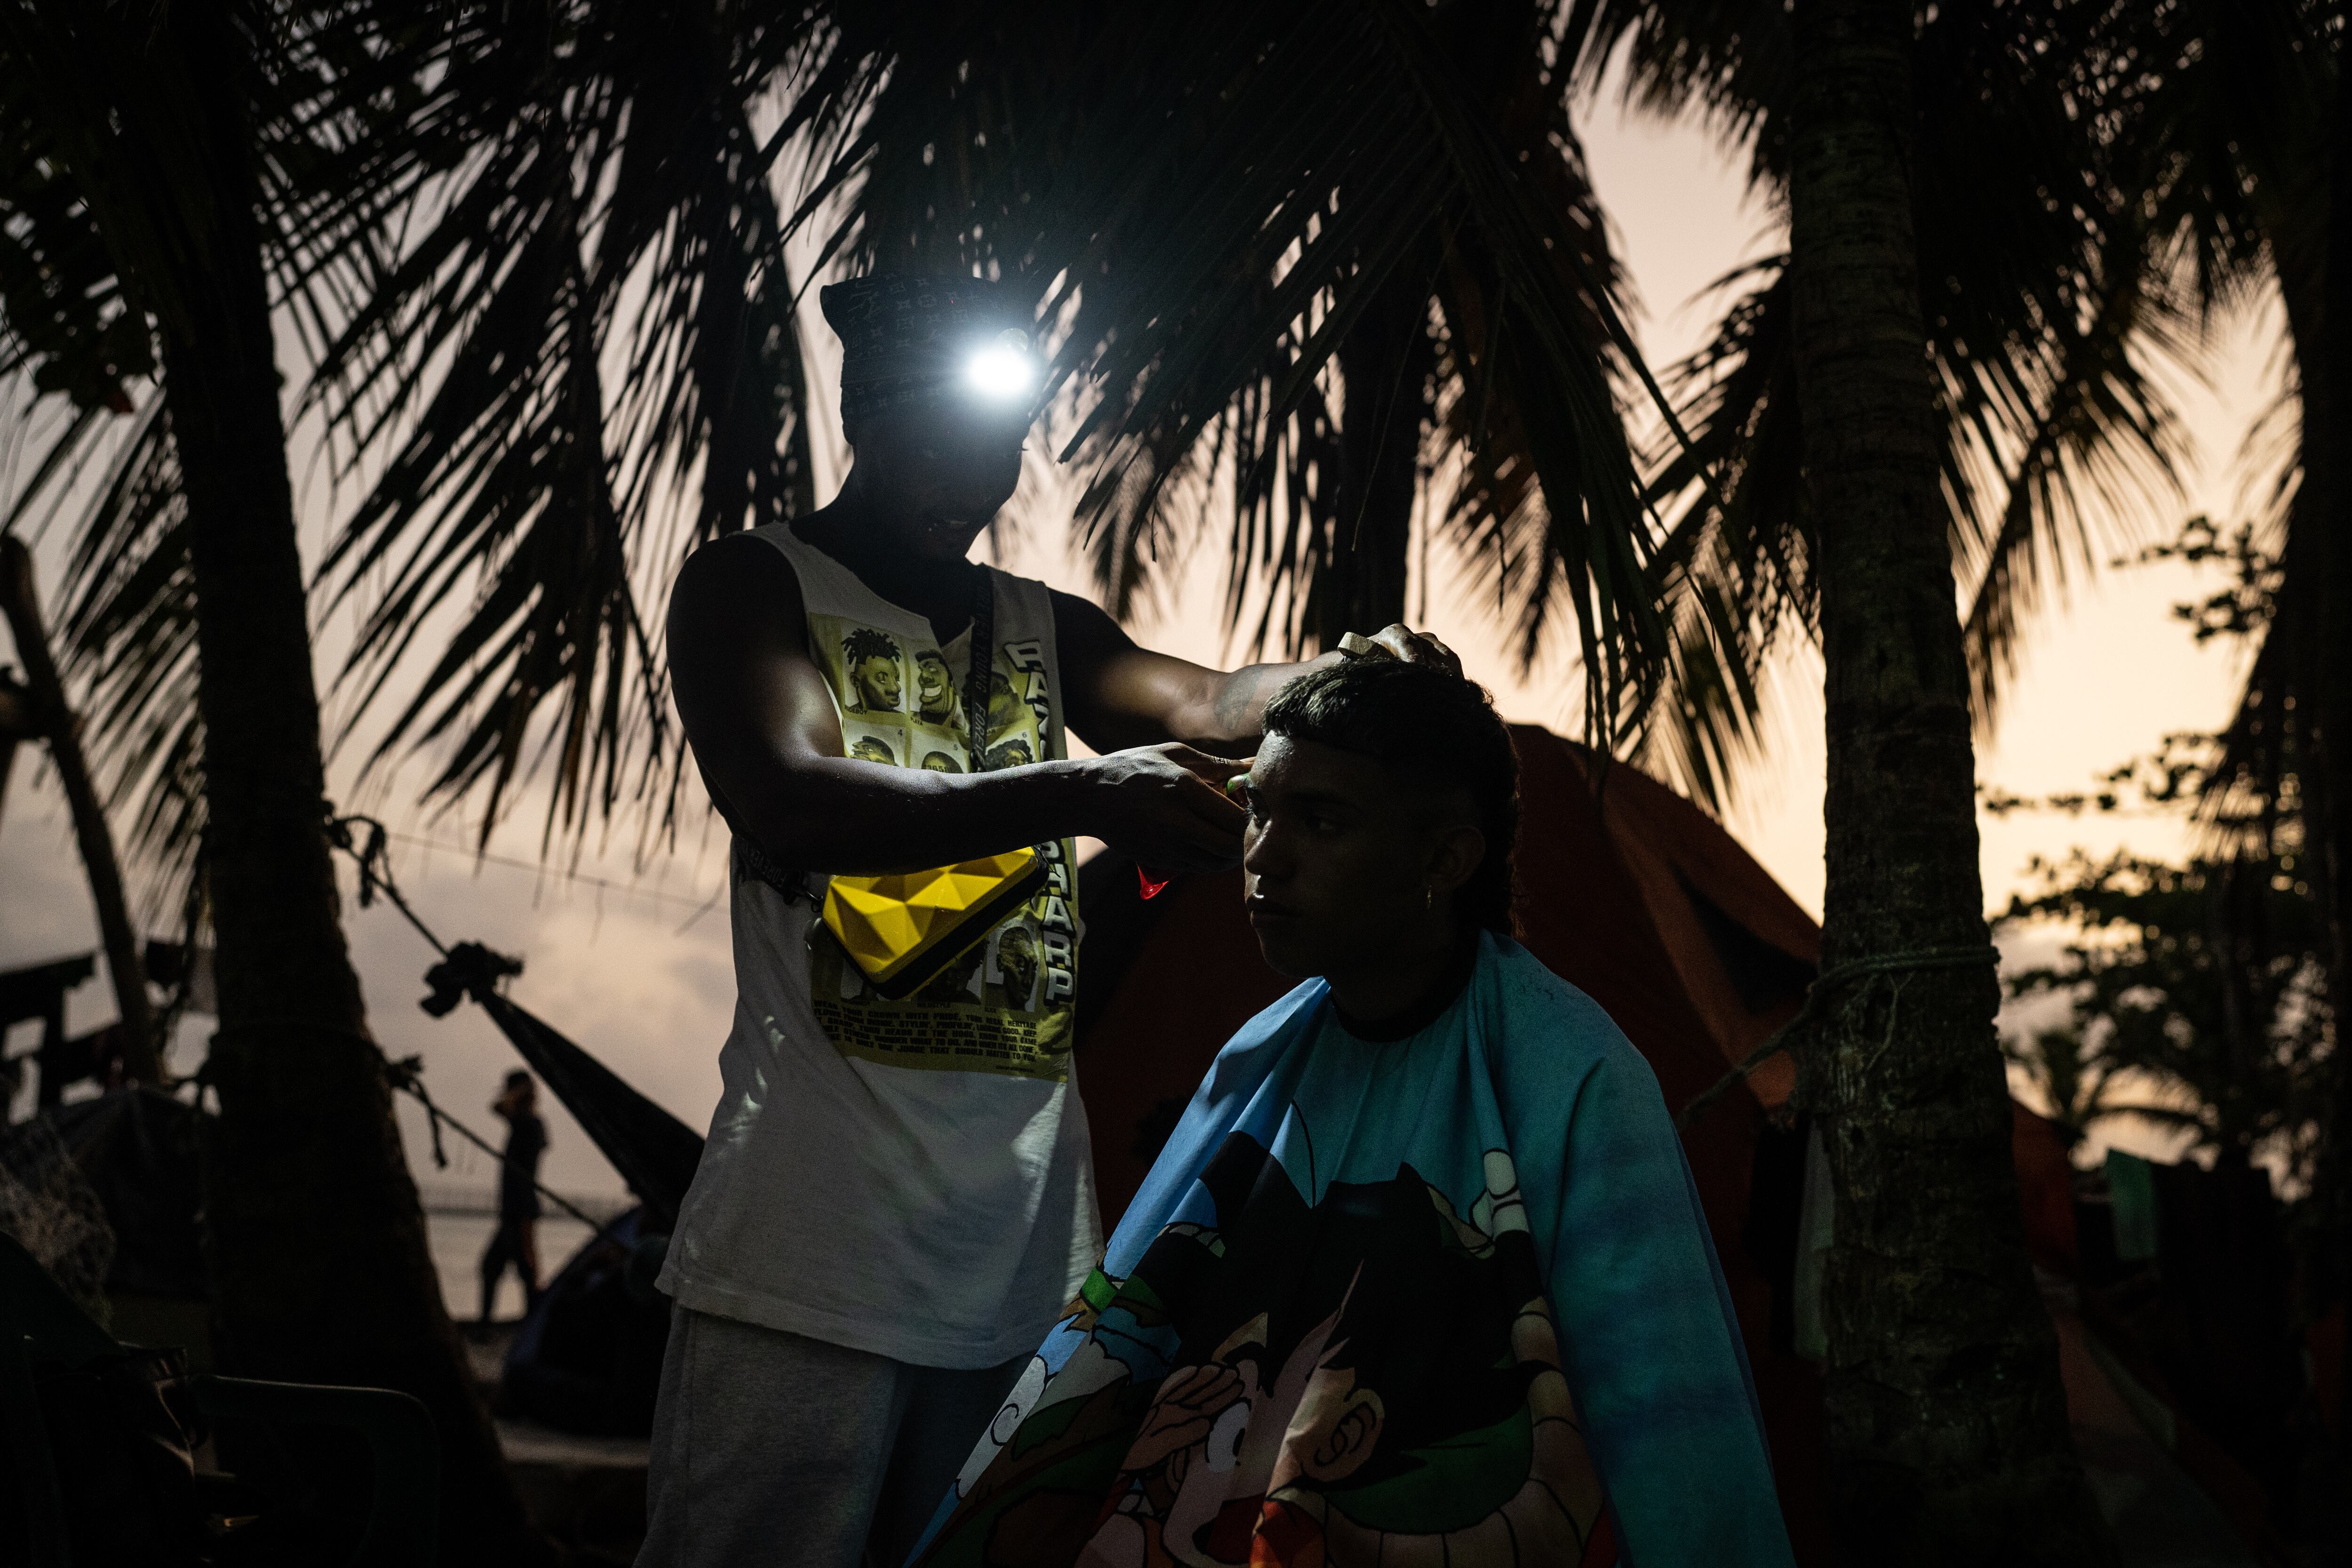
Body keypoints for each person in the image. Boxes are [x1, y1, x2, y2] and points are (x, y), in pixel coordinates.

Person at [646, 271, 1457, 1568]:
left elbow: (1201, 700)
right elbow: (790, 796)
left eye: (999, 442)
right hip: (805, 1261)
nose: (973, 472)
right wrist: (1083, 790)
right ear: (864, 409)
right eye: (940, 436)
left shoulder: (1042, 626)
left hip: (1024, 1277)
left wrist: (1343, 670)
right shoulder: (755, 584)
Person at [912, 658, 1796, 1567]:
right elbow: (1117, 1352)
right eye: (1260, 808)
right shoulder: (1258, 1057)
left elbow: (1667, 1430)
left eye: (1322, 821)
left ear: (1446, 858)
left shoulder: (1575, 1075)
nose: (1265, 855)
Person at [477, 1070, 547, 1325]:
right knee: (504, 1269)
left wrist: (520, 1089)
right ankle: (496, 1324)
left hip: (521, 1211)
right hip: (515, 1210)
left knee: (522, 1270)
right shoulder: (528, 1122)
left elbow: (498, 1107)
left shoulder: (529, 1122)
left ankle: (529, 1324)